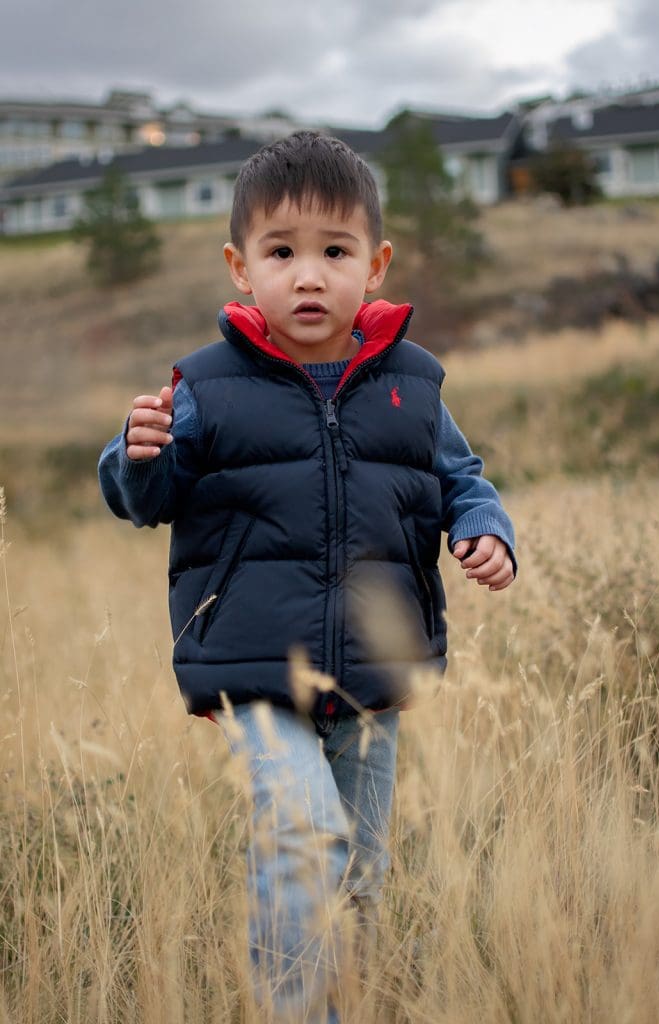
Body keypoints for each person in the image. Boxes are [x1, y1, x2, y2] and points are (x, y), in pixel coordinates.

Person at [98, 130, 515, 1023]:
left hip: (371, 673)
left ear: (376, 264)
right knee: (302, 834)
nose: (309, 276)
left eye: (335, 251)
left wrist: (484, 532)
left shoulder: (411, 384)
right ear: (240, 268)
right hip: (253, 670)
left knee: (358, 871)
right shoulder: (206, 387)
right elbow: (146, 499)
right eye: (281, 253)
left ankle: (346, 1003)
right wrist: (135, 456)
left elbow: (461, 480)